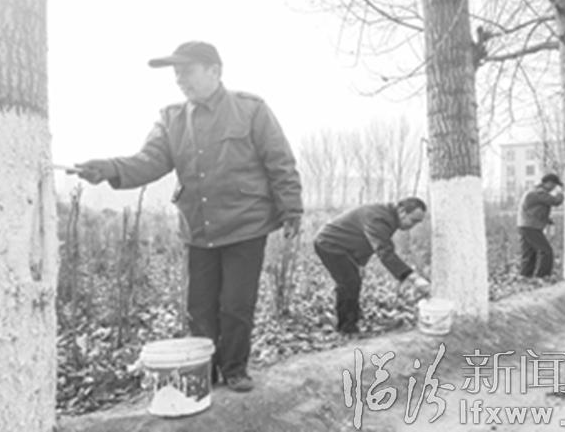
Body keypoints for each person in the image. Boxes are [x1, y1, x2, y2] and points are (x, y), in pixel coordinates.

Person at [73, 41, 303, 392]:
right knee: (199, 307)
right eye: (176, 74)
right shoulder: (171, 119)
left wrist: (291, 208)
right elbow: (149, 161)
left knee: (236, 304)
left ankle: (235, 368)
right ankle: (204, 370)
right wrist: (110, 168)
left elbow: (280, 161)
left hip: (246, 224)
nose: (180, 79)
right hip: (198, 227)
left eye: (187, 71)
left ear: (215, 71)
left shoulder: (251, 109)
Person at [313, 198, 430, 334]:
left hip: (345, 246)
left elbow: (367, 242)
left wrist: (360, 264)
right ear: (402, 211)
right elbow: (384, 251)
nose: (413, 226)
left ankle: (351, 319)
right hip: (329, 243)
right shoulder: (379, 218)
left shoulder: (389, 217)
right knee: (349, 282)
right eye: (413, 220)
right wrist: (413, 277)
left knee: (353, 281)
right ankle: (346, 328)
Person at [517, 173, 564, 278]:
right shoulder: (539, 193)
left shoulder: (534, 191)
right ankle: (542, 277)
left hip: (524, 225)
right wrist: (560, 193)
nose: (554, 188)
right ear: (548, 183)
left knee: (529, 254)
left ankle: (525, 277)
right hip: (530, 227)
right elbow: (555, 201)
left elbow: (534, 210)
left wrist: (546, 219)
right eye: (554, 185)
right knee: (546, 251)